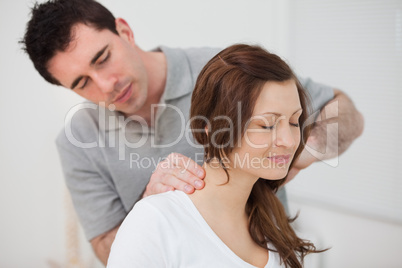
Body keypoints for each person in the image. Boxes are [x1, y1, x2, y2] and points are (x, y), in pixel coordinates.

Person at [21, 0, 364, 265]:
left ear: (124, 31)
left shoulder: (225, 74)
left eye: (103, 58)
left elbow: (346, 114)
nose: (106, 84)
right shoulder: (78, 141)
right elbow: (108, 250)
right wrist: (150, 205)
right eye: (82, 83)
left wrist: (294, 155)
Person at [107, 44, 326, 268]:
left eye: (294, 122)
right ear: (211, 129)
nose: (289, 141)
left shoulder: (270, 217)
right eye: (267, 125)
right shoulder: (154, 221)